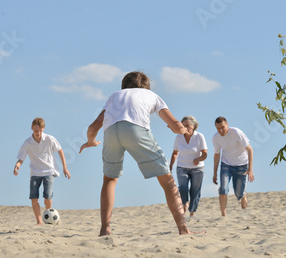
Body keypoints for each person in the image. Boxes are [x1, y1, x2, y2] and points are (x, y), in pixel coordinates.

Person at [79, 71, 204, 236]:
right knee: (167, 181)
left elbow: (93, 127)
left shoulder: (114, 96)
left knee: (109, 179)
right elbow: (175, 125)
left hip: (110, 132)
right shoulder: (151, 95)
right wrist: (179, 129)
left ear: (124, 86)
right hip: (136, 129)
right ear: (146, 87)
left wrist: (90, 142)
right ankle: (183, 228)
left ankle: (105, 229)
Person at [13, 117, 71, 225]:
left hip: (48, 171)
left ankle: (50, 218)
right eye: (35, 130)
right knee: (34, 198)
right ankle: (39, 222)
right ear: (31, 128)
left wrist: (65, 167)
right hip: (35, 173)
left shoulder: (49, 139)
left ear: (43, 129)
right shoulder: (27, 143)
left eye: (40, 130)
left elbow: (60, 150)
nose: (38, 133)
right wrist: (17, 165)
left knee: (47, 197)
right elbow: (21, 158)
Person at [212, 116, 254, 216]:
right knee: (223, 189)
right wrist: (214, 173)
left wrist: (250, 169)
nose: (221, 130)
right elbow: (217, 155)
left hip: (241, 164)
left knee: (239, 193)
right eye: (218, 128)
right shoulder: (216, 138)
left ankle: (243, 197)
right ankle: (223, 215)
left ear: (227, 125)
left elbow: (250, 150)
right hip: (226, 164)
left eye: (223, 127)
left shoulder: (236, 133)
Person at [169, 115, 207, 220]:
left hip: (198, 168)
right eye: (183, 125)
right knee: (183, 189)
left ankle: (192, 213)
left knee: (195, 190)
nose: (185, 127)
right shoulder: (178, 137)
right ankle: (184, 207)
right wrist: (171, 165)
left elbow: (205, 154)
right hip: (182, 167)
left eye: (187, 125)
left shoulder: (200, 136)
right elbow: (175, 153)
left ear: (193, 126)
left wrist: (198, 159)